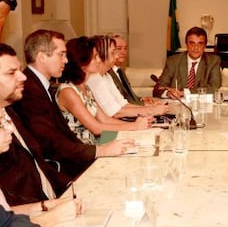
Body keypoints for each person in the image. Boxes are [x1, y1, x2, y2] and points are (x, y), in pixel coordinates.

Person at [13, 30, 135, 179]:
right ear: (42, 57)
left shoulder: (41, 85)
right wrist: (101, 150)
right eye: (61, 54)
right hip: (60, 168)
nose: (65, 60)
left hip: (78, 152)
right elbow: (51, 143)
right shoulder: (30, 91)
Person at [0, 43, 70, 205]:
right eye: (11, 73)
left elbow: (37, 161)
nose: (23, 76)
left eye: (20, 69)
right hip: (29, 219)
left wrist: (69, 186)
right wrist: (47, 209)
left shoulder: (10, 110)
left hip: (53, 197)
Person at [57, 37, 152, 144]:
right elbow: (96, 128)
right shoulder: (68, 91)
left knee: (145, 140)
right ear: (81, 63)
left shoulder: (86, 88)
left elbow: (105, 119)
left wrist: (137, 125)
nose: (99, 60)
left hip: (96, 141)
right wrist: (134, 126)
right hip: (82, 149)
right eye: (95, 57)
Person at [87, 35, 168, 119]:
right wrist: (153, 110)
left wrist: (151, 108)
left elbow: (123, 104)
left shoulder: (107, 76)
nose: (117, 56)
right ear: (100, 55)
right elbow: (116, 113)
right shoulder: (94, 79)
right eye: (113, 52)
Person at [153, 27, 221, 98]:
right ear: (186, 44)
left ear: (205, 45)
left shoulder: (213, 61)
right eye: (192, 43)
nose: (196, 48)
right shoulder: (173, 61)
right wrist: (168, 93)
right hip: (176, 105)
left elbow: (214, 88)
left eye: (200, 44)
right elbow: (158, 89)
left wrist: (184, 93)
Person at [107, 33, 158, 106]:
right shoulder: (106, 73)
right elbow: (118, 102)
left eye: (125, 48)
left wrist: (141, 99)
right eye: (119, 48)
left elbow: (128, 97)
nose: (123, 52)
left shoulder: (120, 71)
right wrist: (143, 104)